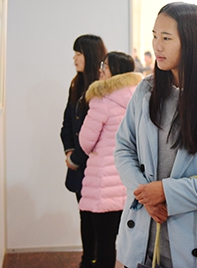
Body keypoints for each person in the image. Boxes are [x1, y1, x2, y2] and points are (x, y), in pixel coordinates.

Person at [114, 2, 197, 268]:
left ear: (191, 42)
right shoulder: (146, 90)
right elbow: (123, 148)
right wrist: (146, 196)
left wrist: (166, 192)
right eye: (154, 36)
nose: (157, 46)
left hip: (195, 241)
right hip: (143, 235)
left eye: (166, 38)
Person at [78, 52, 143, 268]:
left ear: (114, 69)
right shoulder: (140, 98)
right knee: (130, 243)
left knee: (104, 244)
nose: (101, 70)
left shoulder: (102, 99)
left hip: (104, 184)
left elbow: (85, 142)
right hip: (131, 182)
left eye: (104, 66)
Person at [60, 34, 107, 268]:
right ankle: (87, 260)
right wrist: (70, 153)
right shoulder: (76, 84)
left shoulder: (102, 89)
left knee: (99, 223)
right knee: (85, 218)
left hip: (97, 170)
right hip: (79, 168)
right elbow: (67, 125)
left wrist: (77, 158)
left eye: (78, 53)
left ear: (90, 55)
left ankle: (93, 261)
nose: (74, 58)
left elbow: (99, 135)